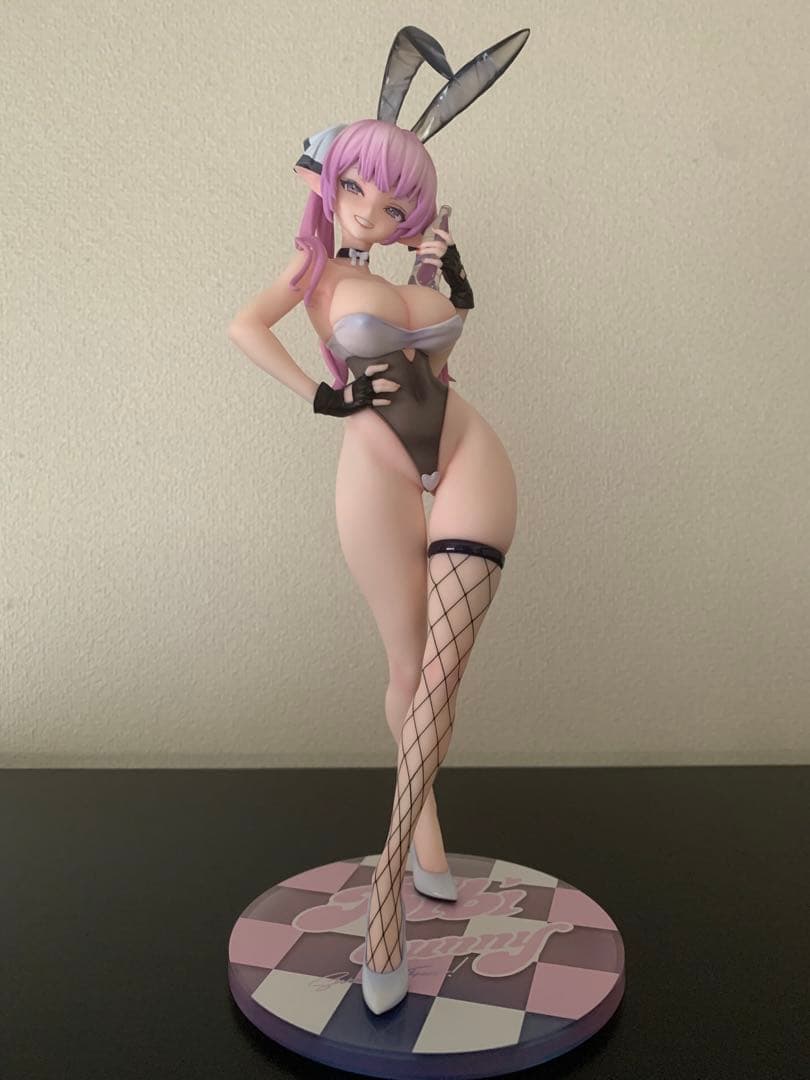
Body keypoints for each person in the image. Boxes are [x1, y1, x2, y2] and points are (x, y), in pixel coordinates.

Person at [228, 26, 528, 1015]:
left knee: (441, 679)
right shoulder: (312, 272)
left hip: (467, 453)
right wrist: (320, 397)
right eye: (358, 189)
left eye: (396, 205)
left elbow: (437, 364)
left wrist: (443, 272)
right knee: (408, 673)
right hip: (375, 466)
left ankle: (388, 900)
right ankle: (427, 844)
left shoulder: (413, 279)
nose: (372, 211)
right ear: (331, 181)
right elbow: (243, 327)